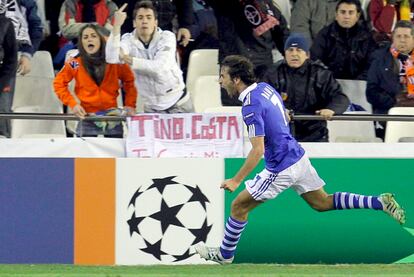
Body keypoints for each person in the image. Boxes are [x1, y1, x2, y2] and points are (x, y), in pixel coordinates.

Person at [194, 55, 406, 265]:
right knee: (322, 202)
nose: (220, 81)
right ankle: (378, 202)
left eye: (223, 76)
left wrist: (236, 180)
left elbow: (257, 150)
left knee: (238, 206)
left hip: (280, 167)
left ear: (236, 79)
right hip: (297, 156)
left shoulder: (250, 105)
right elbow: (284, 114)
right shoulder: (265, 88)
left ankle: (225, 255)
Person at [106, 1, 193, 113]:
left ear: (155, 22)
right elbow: (111, 58)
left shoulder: (167, 37)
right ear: (134, 23)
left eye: (148, 17)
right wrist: (117, 25)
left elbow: (159, 67)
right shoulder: (128, 40)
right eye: (140, 18)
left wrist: (128, 59)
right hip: (152, 108)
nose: (144, 21)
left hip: (179, 103)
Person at [53, 24, 137, 137]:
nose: (89, 39)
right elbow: (59, 83)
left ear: (101, 39)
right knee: (83, 153)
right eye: (85, 37)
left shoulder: (114, 60)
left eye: (93, 36)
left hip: (112, 117)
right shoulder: (75, 62)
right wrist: (73, 104)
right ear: (81, 42)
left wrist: (130, 104)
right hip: (87, 116)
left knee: (115, 152)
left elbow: (129, 80)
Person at [264, 33, 349, 142]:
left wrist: (331, 109)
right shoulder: (273, 73)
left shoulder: (320, 74)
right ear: (284, 54)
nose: (294, 54)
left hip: (315, 135)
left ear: (307, 54)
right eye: (290, 50)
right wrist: (277, 110)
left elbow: (340, 97)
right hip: (280, 135)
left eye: (299, 50)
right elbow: (261, 99)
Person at [205, 0, 290, 106]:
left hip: (262, 69)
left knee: (262, 109)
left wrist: (290, 51)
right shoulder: (225, 5)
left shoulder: (267, 5)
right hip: (234, 68)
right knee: (235, 112)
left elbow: (281, 33)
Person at [366, 20, 414, 139]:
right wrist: (394, 103)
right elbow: (371, 92)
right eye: (398, 36)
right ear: (392, 38)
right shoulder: (379, 59)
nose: (402, 40)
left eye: (406, 36)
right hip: (388, 114)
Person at [310, 0, 377, 80]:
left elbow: (372, 65)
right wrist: (329, 81)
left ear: (357, 16)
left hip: (359, 85)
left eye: (351, 12)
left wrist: (357, 82)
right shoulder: (324, 34)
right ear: (336, 15)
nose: (346, 16)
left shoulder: (367, 37)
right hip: (329, 84)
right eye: (343, 12)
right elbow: (314, 61)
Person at [112, 0, 194, 47]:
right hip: (131, 29)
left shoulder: (167, 37)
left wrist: (185, 25)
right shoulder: (127, 39)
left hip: (163, 28)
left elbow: (185, 3)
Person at [0, 0, 18, 137]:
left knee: (3, 113)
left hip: (2, 78)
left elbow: (11, 59)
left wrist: (3, 82)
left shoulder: (6, 24)